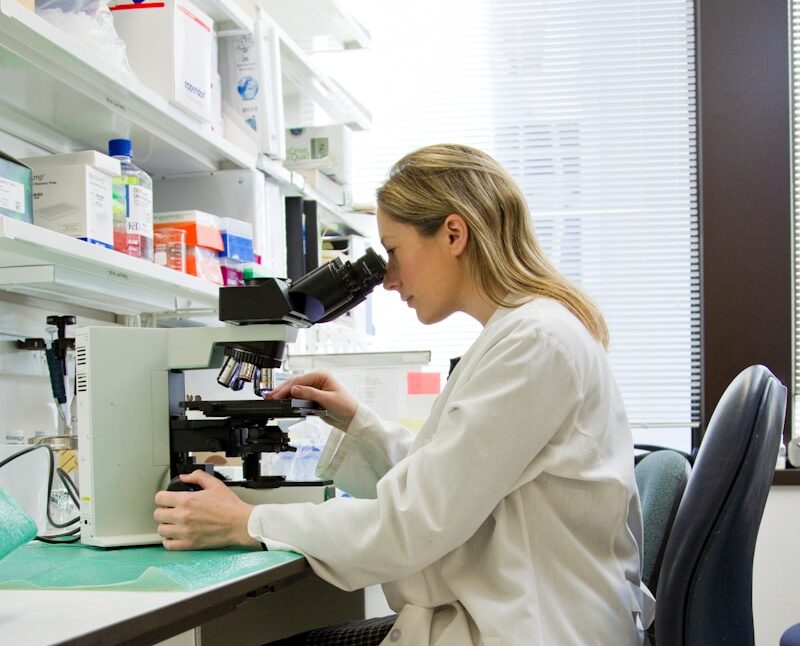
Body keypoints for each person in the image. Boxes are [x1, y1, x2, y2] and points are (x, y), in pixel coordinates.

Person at [154, 143, 654, 645]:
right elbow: (451, 481)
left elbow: (412, 524)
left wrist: (248, 522)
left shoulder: (533, 344)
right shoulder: (526, 334)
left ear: (453, 234)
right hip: (515, 611)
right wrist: (359, 423)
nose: (389, 279)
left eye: (393, 252)